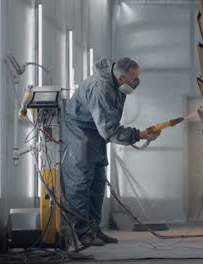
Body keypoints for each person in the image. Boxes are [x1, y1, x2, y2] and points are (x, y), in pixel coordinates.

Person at [61, 57, 160, 246]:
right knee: (80, 183)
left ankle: (94, 230)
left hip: (95, 133)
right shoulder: (102, 89)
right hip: (80, 133)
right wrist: (141, 134)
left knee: (98, 183)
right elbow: (110, 130)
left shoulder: (116, 83)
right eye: (133, 80)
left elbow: (107, 127)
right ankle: (82, 234)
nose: (136, 83)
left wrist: (140, 134)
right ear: (121, 78)